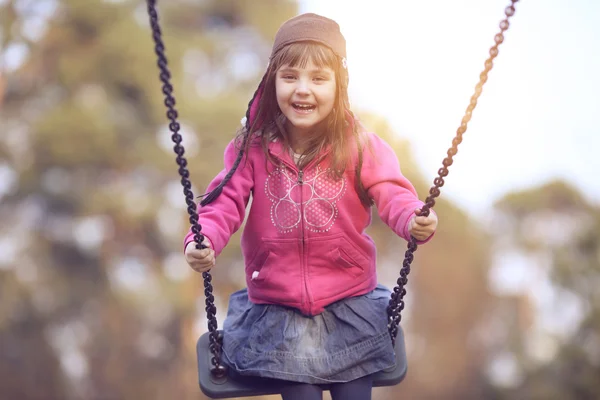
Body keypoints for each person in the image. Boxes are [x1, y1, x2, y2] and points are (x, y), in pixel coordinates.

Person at [183, 13, 438, 400]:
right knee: (300, 393)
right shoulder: (250, 147)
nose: (303, 89)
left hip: (349, 304)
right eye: (290, 77)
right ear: (272, 82)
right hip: (278, 311)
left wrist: (412, 218)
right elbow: (225, 202)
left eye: (318, 78)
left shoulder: (360, 145)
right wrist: (204, 240)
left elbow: (392, 191)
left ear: (339, 86)